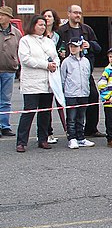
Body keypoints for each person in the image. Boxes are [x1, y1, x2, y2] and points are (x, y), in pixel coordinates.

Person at [55, 4, 103, 137]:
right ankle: (72, 131)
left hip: (85, 71)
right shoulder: (61, 31)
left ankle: (91, 129)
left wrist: (90, 45)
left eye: (80, 13)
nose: (78, 15)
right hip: (69, 72)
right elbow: (55, 48)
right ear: (68, 13)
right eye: (75, 13)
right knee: (71, 102)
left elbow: (99, 48)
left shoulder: (87, 30)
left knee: (93, 96)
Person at [16, 15, 58, 152]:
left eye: (44, 25)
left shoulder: (48, 41)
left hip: (47, 83)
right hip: (32, 83)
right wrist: (45, 65)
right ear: (33, 25)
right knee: (29, 112)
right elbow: (26, 59)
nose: (43, 27)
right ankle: (21, 141)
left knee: (45, 113)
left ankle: (43, 139)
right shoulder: (25, 40)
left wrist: (55, 65)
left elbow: (55, 56)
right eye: (40, 24)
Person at [60, 38, 95, 149]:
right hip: (71, 94)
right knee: (71, 117)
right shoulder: (66, 62)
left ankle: (81, 137)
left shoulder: (86, 61)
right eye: (71, 46)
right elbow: (63, 78)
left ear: (80, 48)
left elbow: (87, 75)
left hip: (84, 93)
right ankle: (72, 138)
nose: (73, 48)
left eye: (75, 46)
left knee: (81, 117)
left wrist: (87, 90)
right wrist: (63, 92)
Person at [42, 8, 65, 144]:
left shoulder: (58, 35)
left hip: (56, 69)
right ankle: (47, 132)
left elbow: (61, 49)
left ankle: (68, 129)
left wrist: (62, 53)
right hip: (43, 68)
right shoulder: (40, 35)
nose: (47, 18)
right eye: (45, 16)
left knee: (60, 100)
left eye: (49, 16)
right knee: (46, 103)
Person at [0, 4, 22, 138]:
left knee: (6, 100)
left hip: (9, 70)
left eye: (2, 15)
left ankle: (5, 126)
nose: (0, 17)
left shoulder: (16, 33)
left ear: (9, 18)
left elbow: (21, 50)